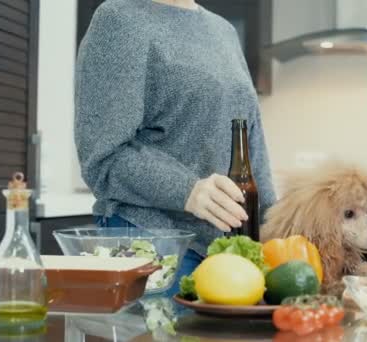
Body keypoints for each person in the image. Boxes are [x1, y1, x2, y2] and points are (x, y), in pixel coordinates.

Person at [74, 0, 275, 295]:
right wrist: (187, 190)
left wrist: (274, 222)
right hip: (151, 242)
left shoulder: (224, 31)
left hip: (227, 253)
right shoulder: (118, 19)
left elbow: (249, 139)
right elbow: (102, 156)